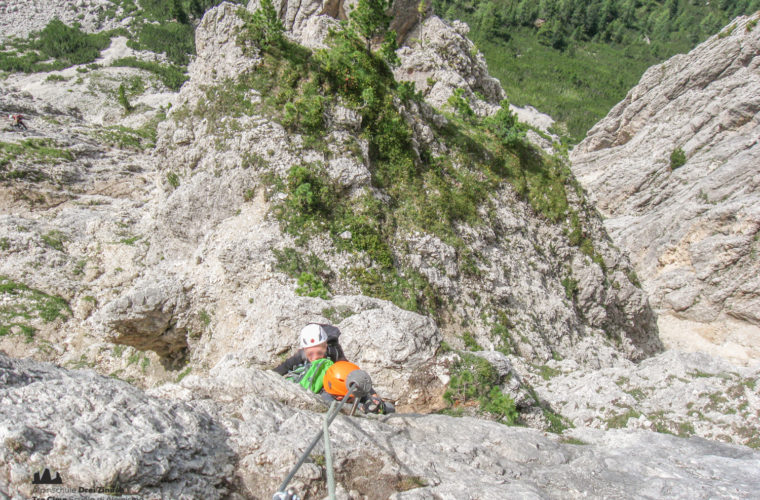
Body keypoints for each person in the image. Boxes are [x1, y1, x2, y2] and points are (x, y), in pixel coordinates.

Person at [274, 323, 394, 414]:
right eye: (311, 354)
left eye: (319, 353)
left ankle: (373, 405)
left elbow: (351, 372)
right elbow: (281, 369)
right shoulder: (300, 355)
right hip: (324, 391)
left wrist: (371, 393)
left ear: (325, 346)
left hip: (338, 385)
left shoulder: (334, 352)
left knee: (378, 403)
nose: (315, 357)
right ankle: (360, 408)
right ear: (304, 349)